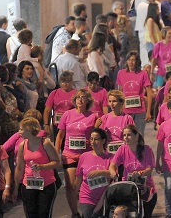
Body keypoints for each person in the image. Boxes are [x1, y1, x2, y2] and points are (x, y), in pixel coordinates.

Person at [55, 89, 100, 218]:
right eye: (78, 97)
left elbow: (98, 135)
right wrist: (56, 152)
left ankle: (87, 210)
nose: (80, 100)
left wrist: (97, 127)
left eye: (83, 97)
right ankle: (75, 213)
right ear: (74, 100)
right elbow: (60, 135)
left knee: (85, 185)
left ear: (88, 101)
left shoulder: (93, 116)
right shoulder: (67, 114)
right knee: (71, 185)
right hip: (69, 154)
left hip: (86, 155)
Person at [109, 125, 157, 218]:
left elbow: (149, 169)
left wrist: (139, 173)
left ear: (136, 136)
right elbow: (112, 165)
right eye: (124, 135)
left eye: (129, 135)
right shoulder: (122, 149)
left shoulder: (147, 149)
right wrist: (113, 172)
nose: (126, 137)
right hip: (129, 190)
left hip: (146, 190)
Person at [75, 127, 113, 218]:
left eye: (96, 139)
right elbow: (79, 176)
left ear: (103, 141)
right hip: (87, 197)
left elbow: (114, 174)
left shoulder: (111, 157)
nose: (93, 141)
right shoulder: (84, 156)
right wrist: (76, 191)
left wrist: (100, 172)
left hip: (105, 198)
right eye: (91, 139)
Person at [117, 51, 153, 135]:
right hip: (125, 111)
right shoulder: (121, 73)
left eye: (133, 60)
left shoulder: (143, 73)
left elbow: (149, 93)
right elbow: (119, 93)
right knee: (126, 136)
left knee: (139, 136)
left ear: (137, 61)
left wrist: (148, 112)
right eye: (129, 60)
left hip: (140, 111)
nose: (131, 62)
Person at [43, 71, 77, 139]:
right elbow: (47, 110)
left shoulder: (76, 93)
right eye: (63, 82)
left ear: (71, 82)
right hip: (57, 125)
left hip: (71, 124)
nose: (65, 84)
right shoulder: (54, 93)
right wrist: (46, 124)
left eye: (67, 82)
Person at [99, 90, 135, 154]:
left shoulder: (127, 118)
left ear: (121, 102)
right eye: (110, 101)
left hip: (124, 153)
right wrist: (96, 127)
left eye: (114, 101)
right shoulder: (104, 118)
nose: (111, 104)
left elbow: (133, 137)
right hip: (107, 154)